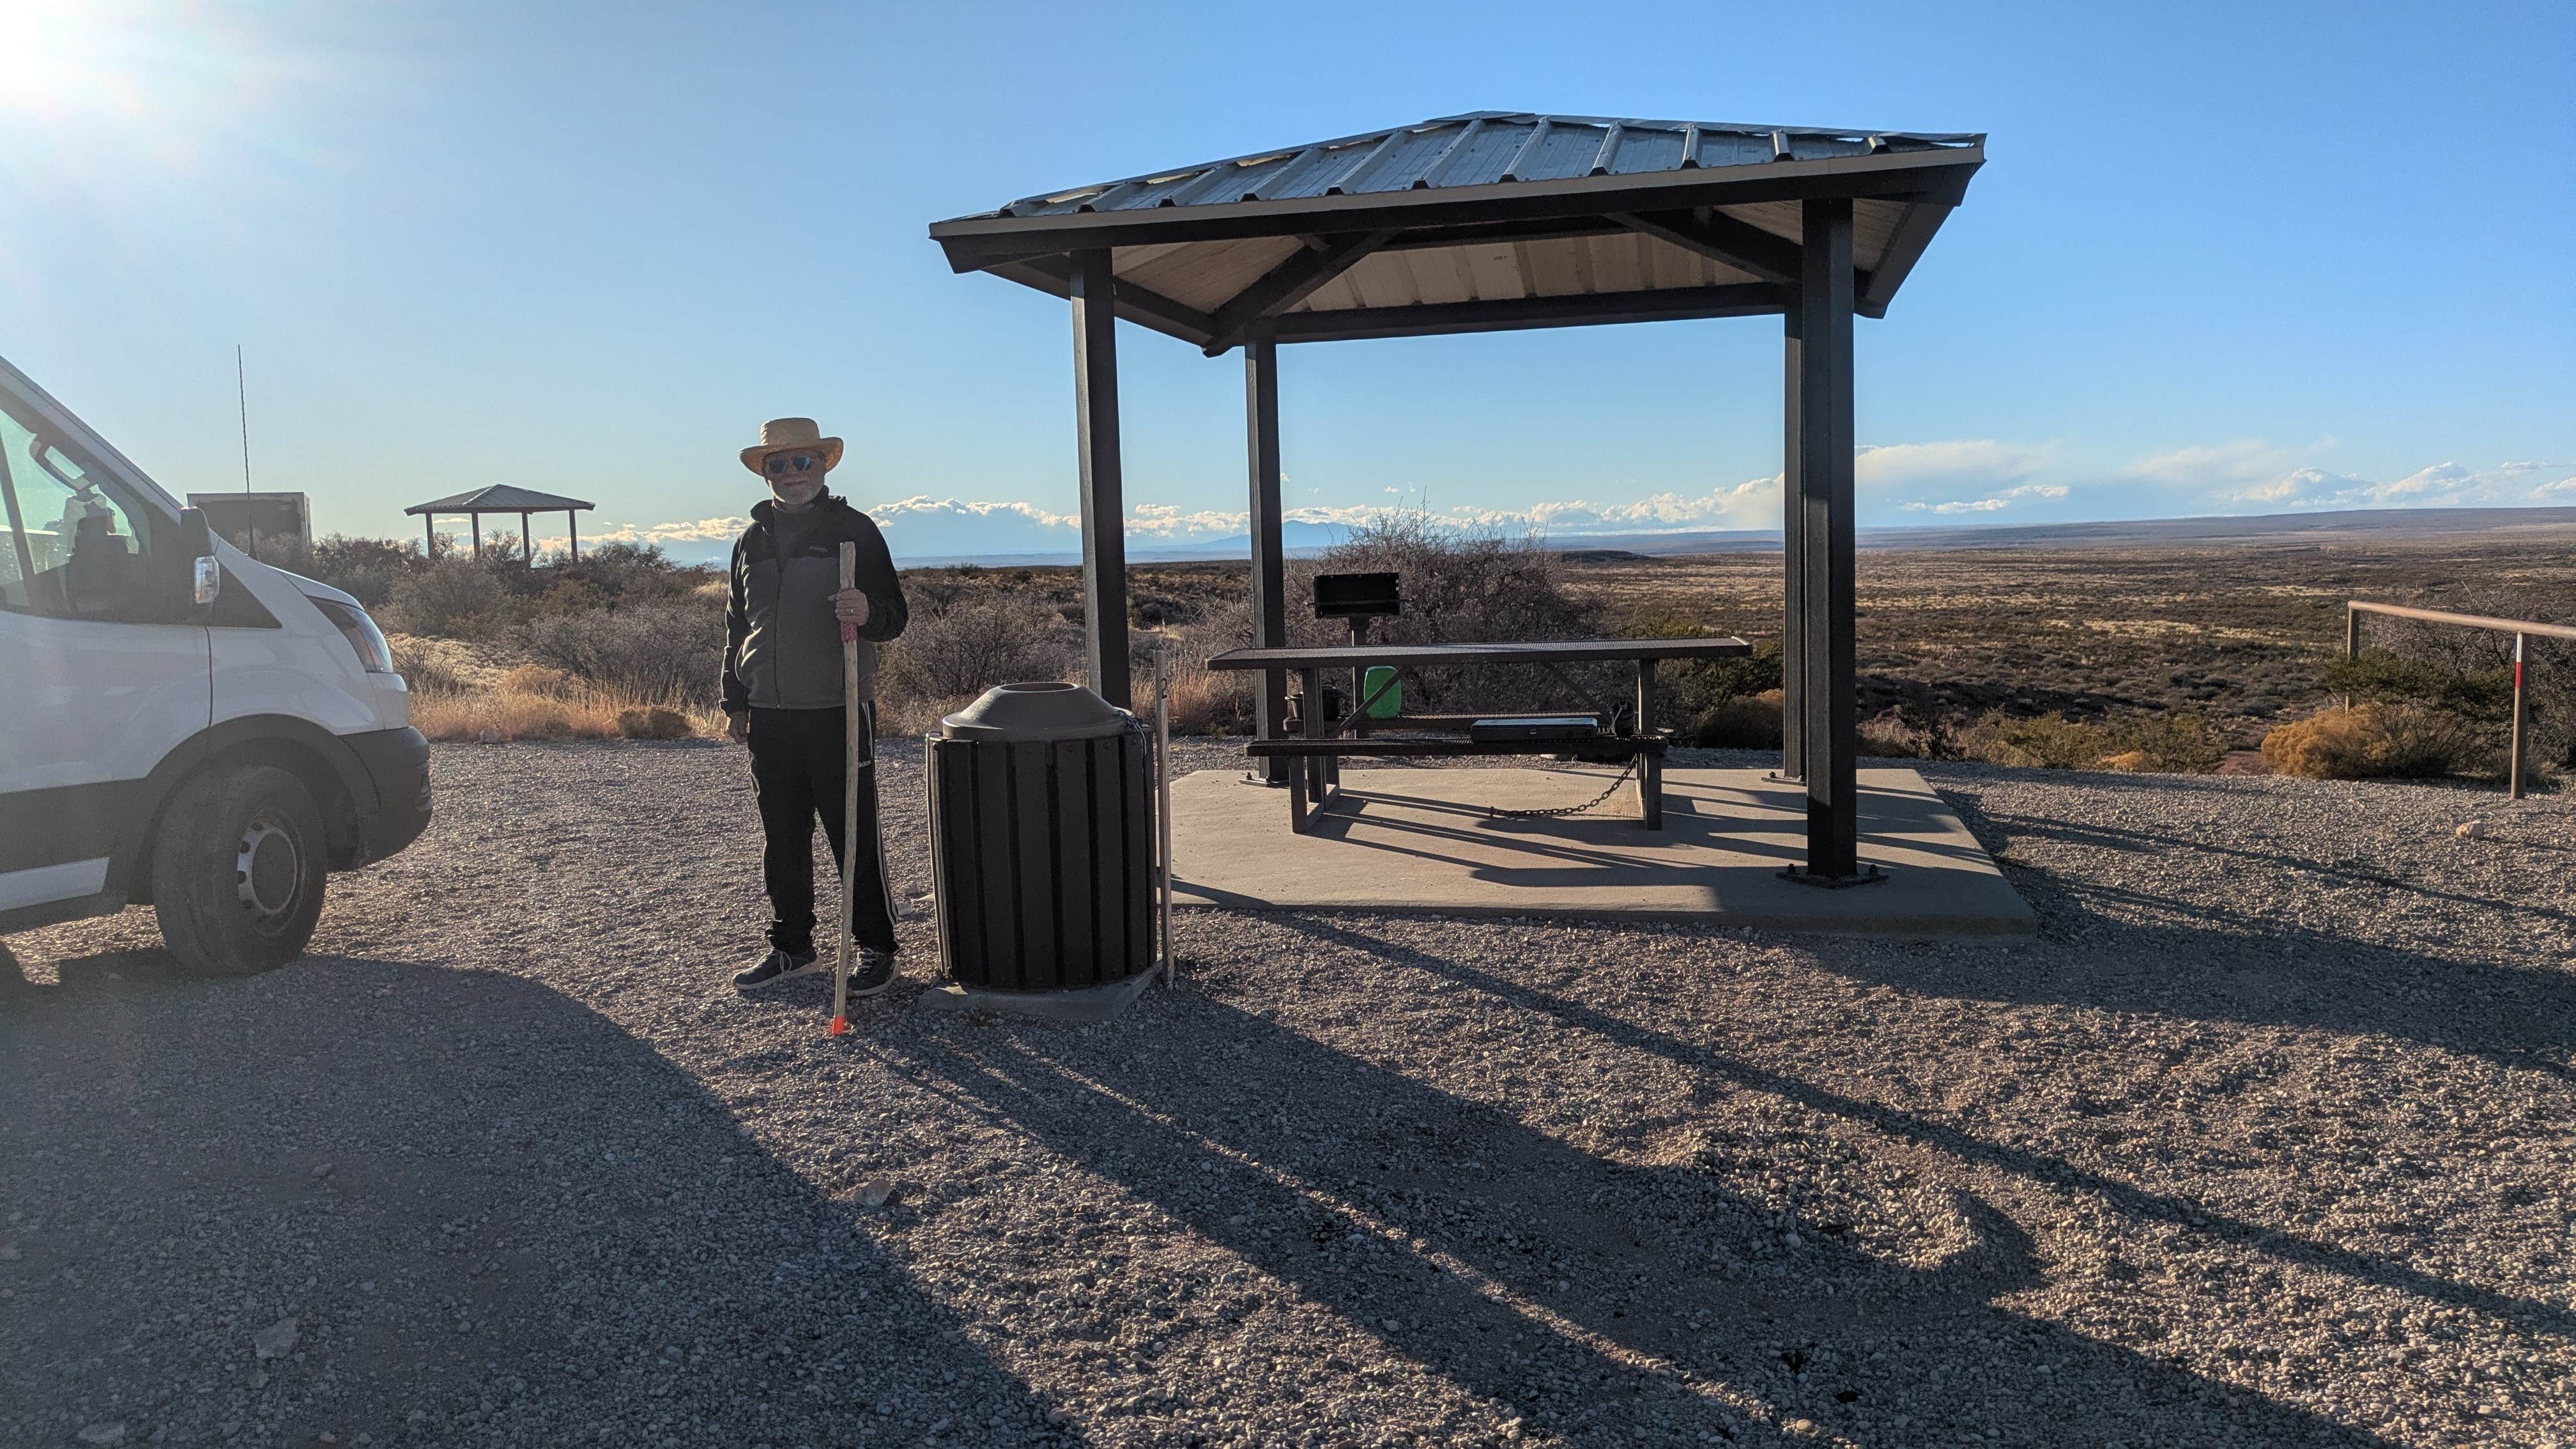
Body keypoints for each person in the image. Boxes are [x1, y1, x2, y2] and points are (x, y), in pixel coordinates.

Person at [720, 417, 909, 993]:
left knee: (851, 831)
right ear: (765, 472)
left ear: (824, 466)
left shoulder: (854, 530)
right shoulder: (751, 540)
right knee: (782, 835)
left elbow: (894, 616)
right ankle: (792, 946)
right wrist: (735, 701)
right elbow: (736, 626)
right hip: (770, 713)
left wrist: (866, 613)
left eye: (803, 462)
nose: (792, 473)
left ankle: (877, 947)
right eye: (779, 464)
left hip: (838, 708)